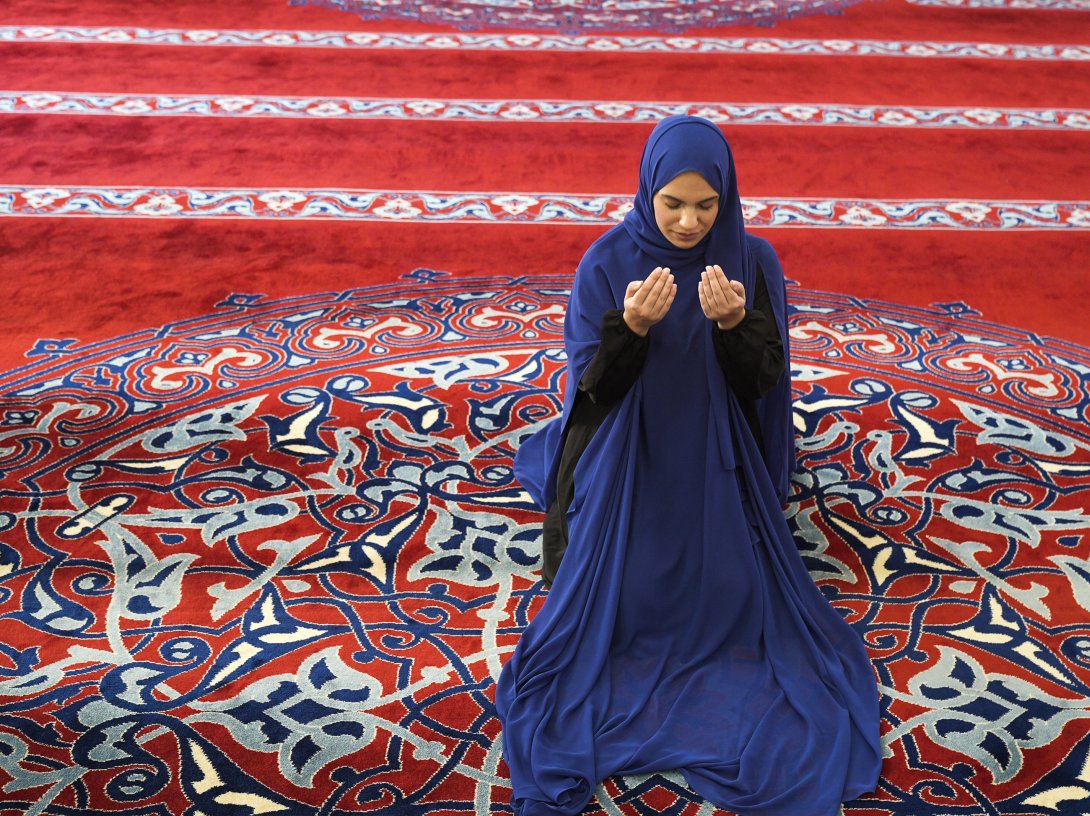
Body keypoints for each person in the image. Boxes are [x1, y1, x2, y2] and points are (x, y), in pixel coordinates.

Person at [495, 115, 882, 816]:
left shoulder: (750, 259)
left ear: (725, 200)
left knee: (732, 599)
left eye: (706, 206)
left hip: (718, 449)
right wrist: (632, 328)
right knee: (627, 602)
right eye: (672, 203)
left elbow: (763, 384)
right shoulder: (607, 262)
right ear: (647, 191)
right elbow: (592, 390)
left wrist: (736, 324)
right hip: (628, 449)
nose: (688, 222)